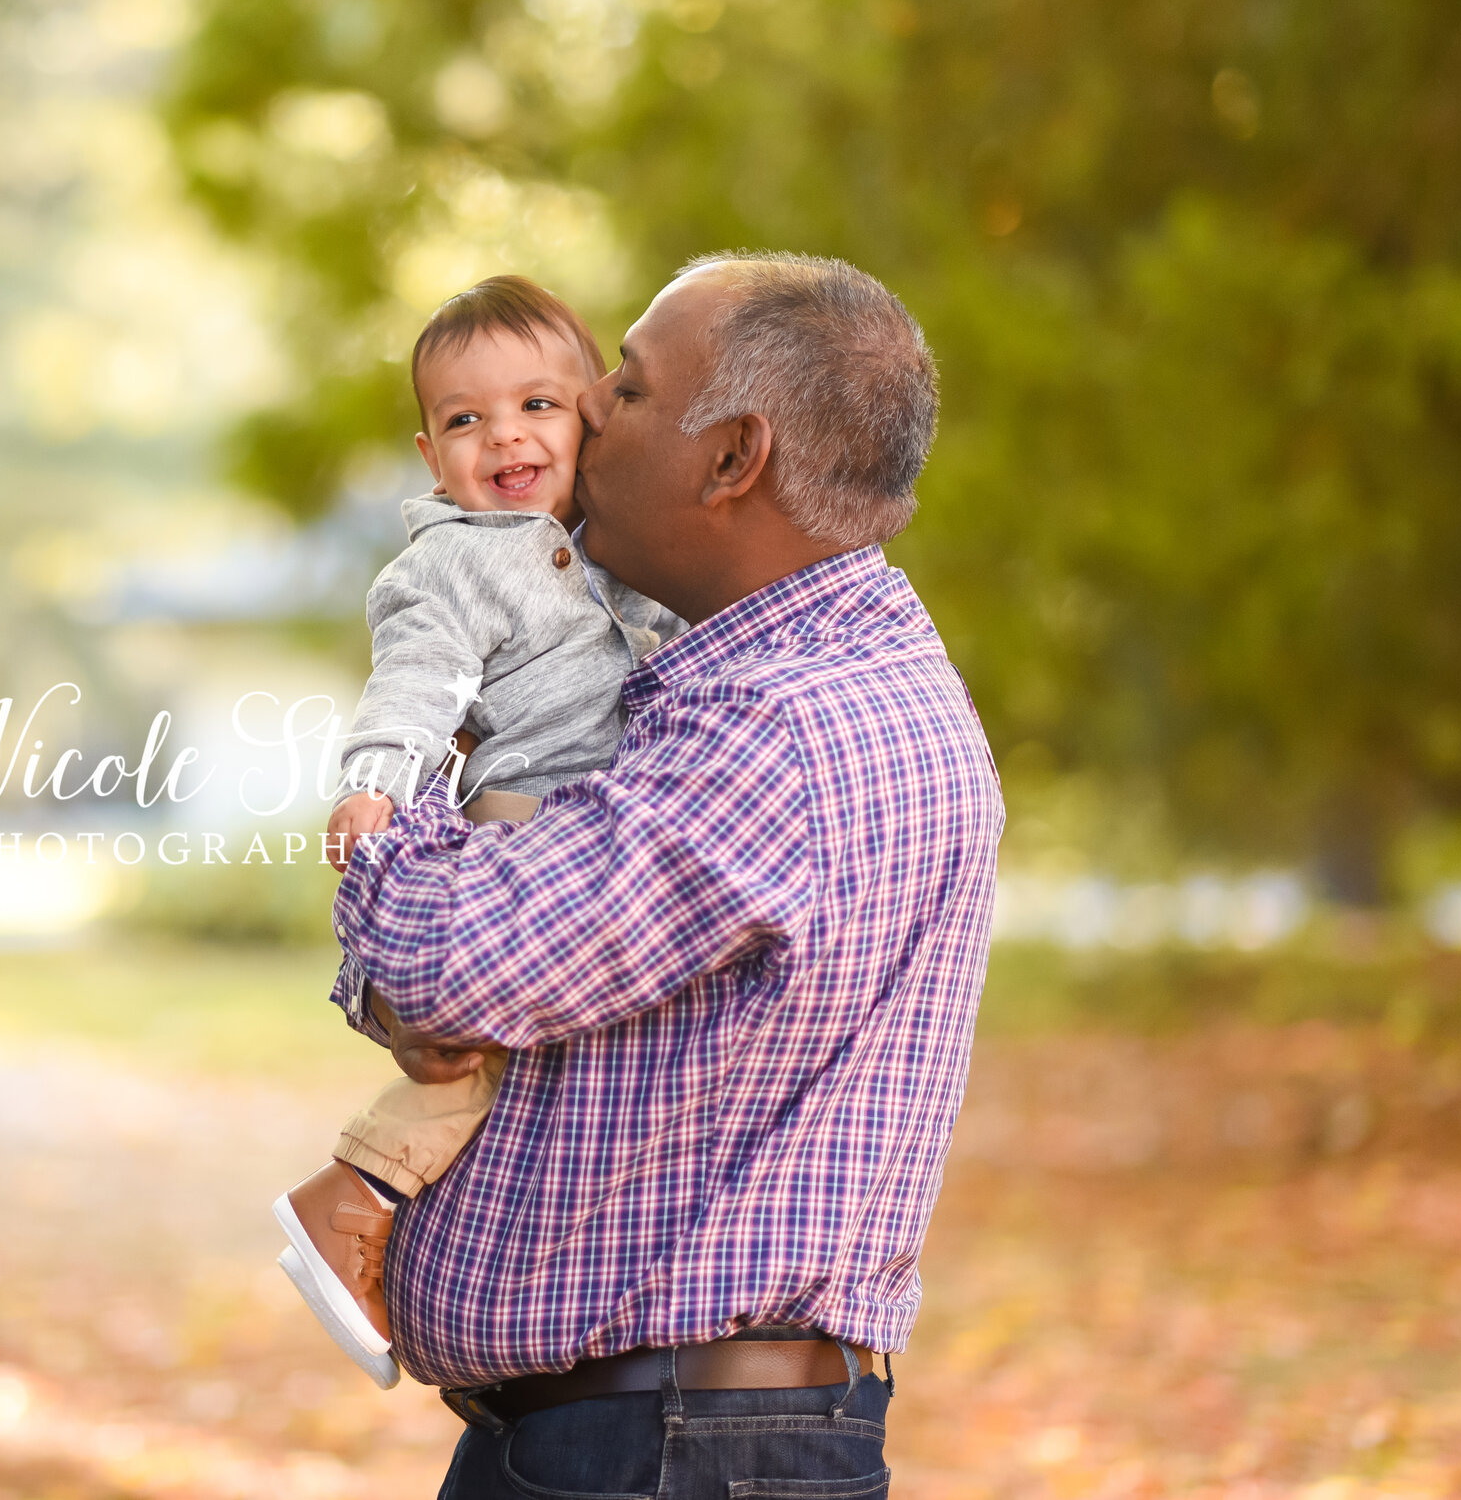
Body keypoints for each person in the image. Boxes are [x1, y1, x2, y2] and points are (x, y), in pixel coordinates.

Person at [329, 252, 1003, 1497]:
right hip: (666, 1439)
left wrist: (397, 799)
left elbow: (437, 960)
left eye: (624, 391)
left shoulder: (776, 729)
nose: (580, 411)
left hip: (661, 1453)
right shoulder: (770, 686)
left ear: (733, 456)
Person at [272, 275, 685, 1389]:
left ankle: (430, 1235)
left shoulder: (627, 543)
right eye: (466, 419)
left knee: (546, 1069)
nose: (503, 433)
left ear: (593, 414)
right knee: (474, 1056)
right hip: (523, 825)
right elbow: (416, 683)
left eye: (537, 406)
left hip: (609, 825)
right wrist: (378, 785)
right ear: (429, 452)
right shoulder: (448, 565)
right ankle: (352, 1201)